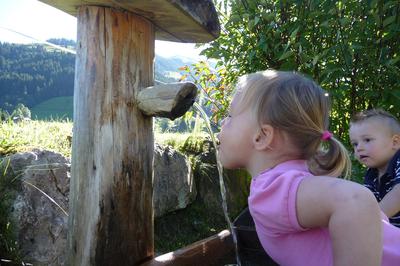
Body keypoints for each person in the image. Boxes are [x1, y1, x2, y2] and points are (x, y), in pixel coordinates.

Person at [216, 70, 400, 266]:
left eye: (229, 115)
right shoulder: (295, 179)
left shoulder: (273, 188)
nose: (221, 122)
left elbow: (355, 199)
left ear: (261, 136)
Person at [349, 109, 400, 227]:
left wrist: (370, 220)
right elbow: (367, 202)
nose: (359, 148)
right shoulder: (372, 172)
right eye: (355, 144)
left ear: (395, 142)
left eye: (367, 140)